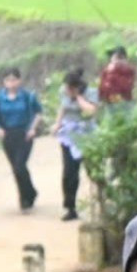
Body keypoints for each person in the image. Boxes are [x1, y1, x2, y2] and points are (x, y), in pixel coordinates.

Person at [0, 67, 43, 213]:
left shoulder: (28, 96)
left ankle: (26, 197)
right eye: (8, 80)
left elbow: (38, 112)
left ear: (19, 81)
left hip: (25, 134)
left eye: (14, 80)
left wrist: (33, 128)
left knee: (20, 165)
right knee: (16, 168)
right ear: (4, 82)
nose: (11, 83)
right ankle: (28, 194)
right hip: (8, 135)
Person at [54, 68, 100, 223]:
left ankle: (100, 204)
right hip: (69, 134)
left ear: (75, 87)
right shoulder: (63, 92)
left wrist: (78, 97)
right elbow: (63, 108)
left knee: (94, 171)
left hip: (87, 134)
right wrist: (57, 124)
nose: (66, 91)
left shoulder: (91, 93)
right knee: (69, 173)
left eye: (69, 88)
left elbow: (91, 110)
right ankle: (70, 207)